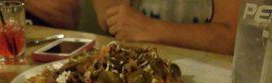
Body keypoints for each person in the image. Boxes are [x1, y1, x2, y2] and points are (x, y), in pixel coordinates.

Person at [92, 0, 240, 54]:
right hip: (133, 67)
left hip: (211, 82)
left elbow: (232, 38)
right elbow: (110, 19)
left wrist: (153, 30)